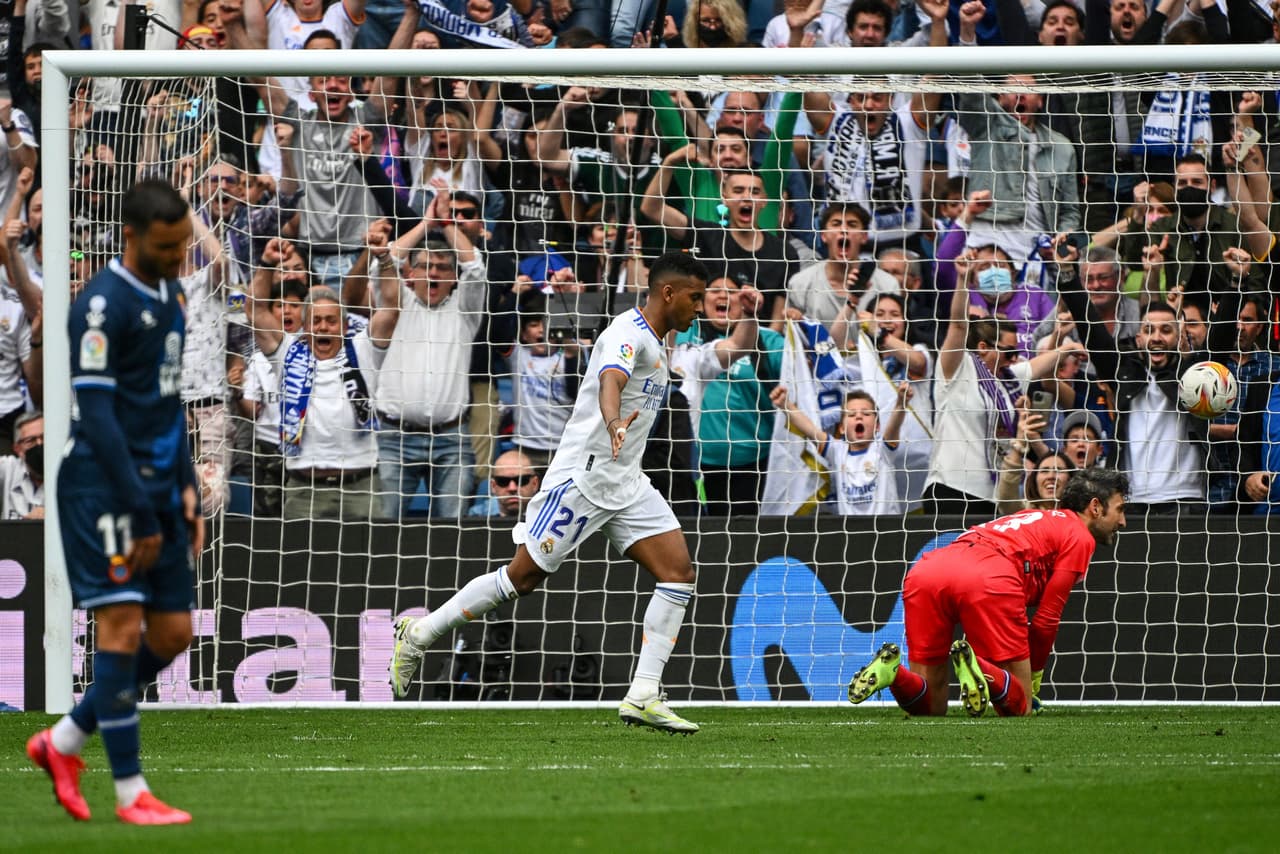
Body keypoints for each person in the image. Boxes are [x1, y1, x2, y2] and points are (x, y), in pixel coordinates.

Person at [390, 252, 709, 734]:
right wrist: (612, 419)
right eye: (695, 297)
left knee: (679, 572)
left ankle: (644, 691)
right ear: (668, 292)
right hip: (581, 480)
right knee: (520, 580)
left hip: (624, 481)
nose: (700, 307)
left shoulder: (659, 340)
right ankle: (418, 634)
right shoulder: (628, 335)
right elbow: (611, 380)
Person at [26, 180, 202, 824]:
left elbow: (167, 403)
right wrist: (143, 508)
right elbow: (95, 416)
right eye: (166, 246)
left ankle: (65, 740)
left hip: (158, 486)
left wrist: (187, 493)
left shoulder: (173, 292)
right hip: (103, 488)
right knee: (121, 629)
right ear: (130, 236)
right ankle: (131, 794)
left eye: (184, 243)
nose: (179, 254)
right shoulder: (100, 306)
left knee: (174, 632)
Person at [849, 467, 1129, 717]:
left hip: (928, 570)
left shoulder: (1033, 515)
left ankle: (893, 674)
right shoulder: (1079, 536)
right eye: (1120, 509)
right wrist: (1033, 678)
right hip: (988, 573)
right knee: (1020, 707)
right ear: (1095, 507)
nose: (1122, 521)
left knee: (931, 706)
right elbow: (1046, 620)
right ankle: (980, 668)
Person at [769, 383, 911, 515]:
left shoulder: (882, 450)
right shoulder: (837, 451)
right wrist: (785, 404)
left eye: (866, 414)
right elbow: (809, 429)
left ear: (877, 427)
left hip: (886, 529)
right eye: (851, 415)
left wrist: (901, 403)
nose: (859, 417)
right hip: (850, 532)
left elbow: (895, 424)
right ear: (842, 428)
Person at [470, 448, 542, 518]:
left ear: (535, 484)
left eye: (521, 480)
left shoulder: (549, 516)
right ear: (493, 486)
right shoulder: (475, 516)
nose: (512, 488)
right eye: (503, 481)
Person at [1, 408, 42, 518]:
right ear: (17, 448)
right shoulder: (8, 468)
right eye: (30, 440)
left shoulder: (68, 470)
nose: (39, 444)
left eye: (44, 437)